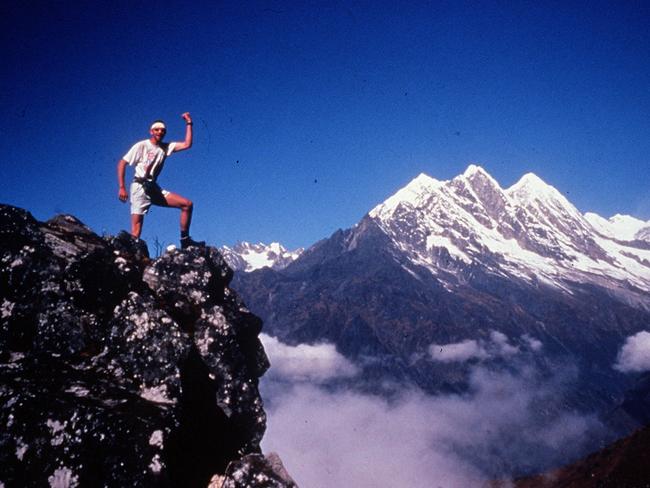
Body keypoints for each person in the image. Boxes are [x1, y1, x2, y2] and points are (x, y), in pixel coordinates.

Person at [117, 112, 204, 249]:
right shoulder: (142, 145)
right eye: (157, 129)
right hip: (139, 187)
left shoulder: (166, 147)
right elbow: (122, 163)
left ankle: (185, 240)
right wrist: (121, 187)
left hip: (153, 188)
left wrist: (189, 122)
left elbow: (187, 144)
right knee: (136, 231)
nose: (160, 132)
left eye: (163, 130)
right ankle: (129, 257)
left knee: (187, 204)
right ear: (151, 131)